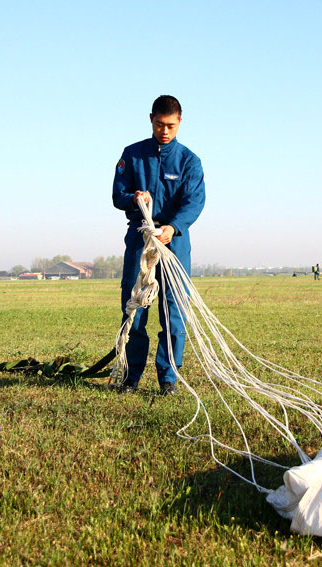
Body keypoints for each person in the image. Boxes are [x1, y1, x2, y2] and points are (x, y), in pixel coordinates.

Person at [111, 95, 206, 395]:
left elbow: (195, 202)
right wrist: (135, 199)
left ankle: (168, 379)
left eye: (171, 126)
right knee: (135, 309)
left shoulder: (190, 161)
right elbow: (118, 195)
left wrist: (173, 227)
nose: (165, 131)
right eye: (160, 125)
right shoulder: (133, 155)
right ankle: (131, 377)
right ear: (150, 119)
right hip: (141, 241)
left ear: (180, 122)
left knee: (174, 312)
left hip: (174, 244)